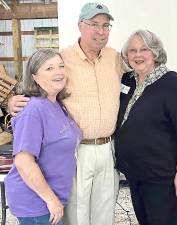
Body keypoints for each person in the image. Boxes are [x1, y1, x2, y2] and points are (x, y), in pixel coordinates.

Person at [8, 2, 124, 225]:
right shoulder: (62, 59)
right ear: (80, 26)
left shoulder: (116, 59)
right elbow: (38, 82)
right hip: (76, 149)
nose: (101, 31)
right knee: (77, 213)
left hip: (108, 147)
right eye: (94, 24)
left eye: (105, 26)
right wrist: (12, 101)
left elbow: (143, 69)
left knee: (105, 211)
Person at [114, 29, 177, 225]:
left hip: (164, 180)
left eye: (144, 49)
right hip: (136, 176)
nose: (138, 55)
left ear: (155, 53)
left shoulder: (174, 85)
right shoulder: (129, 80)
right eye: (132, 50)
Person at [4, 49, 81, 225]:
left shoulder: (56, 103)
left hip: (51, 198)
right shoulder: (32, 110)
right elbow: (24, 162)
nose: (59, 72)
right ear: (35, 77)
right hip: (36, 202)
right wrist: (51, 200)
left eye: (61, 66)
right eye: (49, 68)